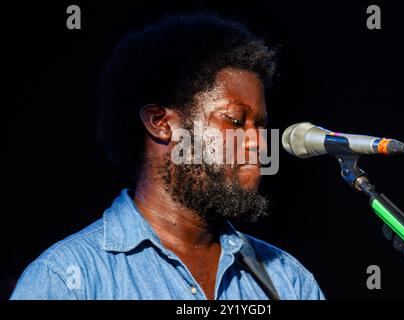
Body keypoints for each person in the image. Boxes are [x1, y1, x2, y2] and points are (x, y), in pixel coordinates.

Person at [10, 12, 324, 300]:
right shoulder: (67, 279)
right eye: (236, 121)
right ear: (161, 123)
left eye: (261, 125)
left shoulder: (288, 281)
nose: (258, 142)